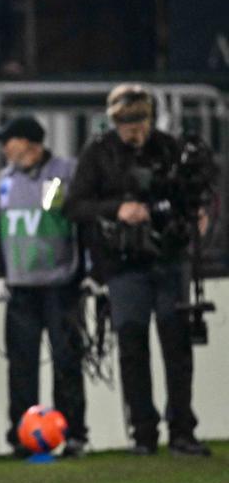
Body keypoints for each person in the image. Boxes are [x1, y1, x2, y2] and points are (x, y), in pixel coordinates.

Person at [62, 84, 211, 457]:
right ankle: (143, 432)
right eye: (125, 121)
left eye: (139, 119)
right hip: (124, 263)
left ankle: (181, 430)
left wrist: (201, 215)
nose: (133, 128)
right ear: (113, 121)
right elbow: (75, 206)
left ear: (150, 116)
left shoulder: (170, 148)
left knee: (176, 344)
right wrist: (117, 209)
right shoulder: (98, 152)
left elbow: (198, 190)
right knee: (132, 345)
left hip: (169, 257)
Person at [0, 116, 87, 458]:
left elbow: (83, 224)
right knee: (21, 366)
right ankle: (22, 437)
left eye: (9, 140)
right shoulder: (4, 181)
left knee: (66, 360)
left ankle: (74, 434)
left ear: (29, 142)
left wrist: (88, 272)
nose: (4, 148)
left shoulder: (67, 172)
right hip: (21, 289)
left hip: (61, 285)